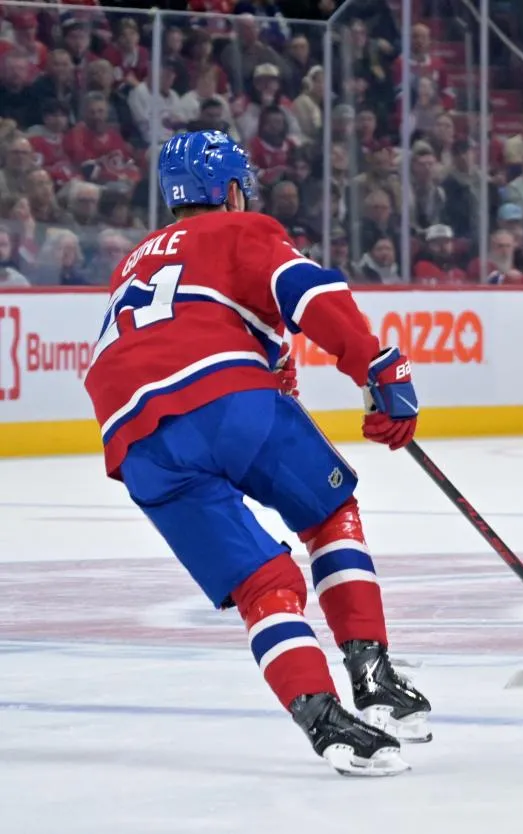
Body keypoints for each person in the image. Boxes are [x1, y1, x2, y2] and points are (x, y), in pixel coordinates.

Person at [82, 131, 431, 776]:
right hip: (223, 398)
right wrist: (376, 366)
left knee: (263, 584)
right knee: (329, 512)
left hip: (133, 443)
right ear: (234, 190)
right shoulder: (237, 231)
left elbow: (192, 330)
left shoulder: (132, 262)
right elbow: (311, 292)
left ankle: (322, 717)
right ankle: (371, 669)